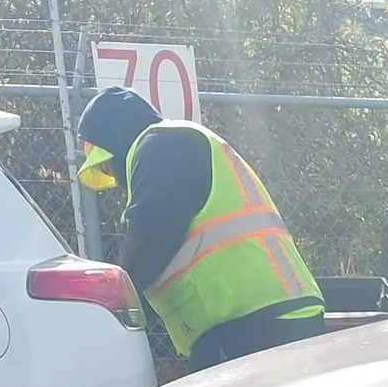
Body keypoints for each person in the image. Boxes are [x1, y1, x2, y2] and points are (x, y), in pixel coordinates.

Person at [74, 87, 324, 370]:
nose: (114, 178)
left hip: (250, 322)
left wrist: (111, 313)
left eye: (107, 166)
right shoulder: (177, 143)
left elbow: (149, 243)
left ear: (116, 145)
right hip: (264, 316)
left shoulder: (161, 147)